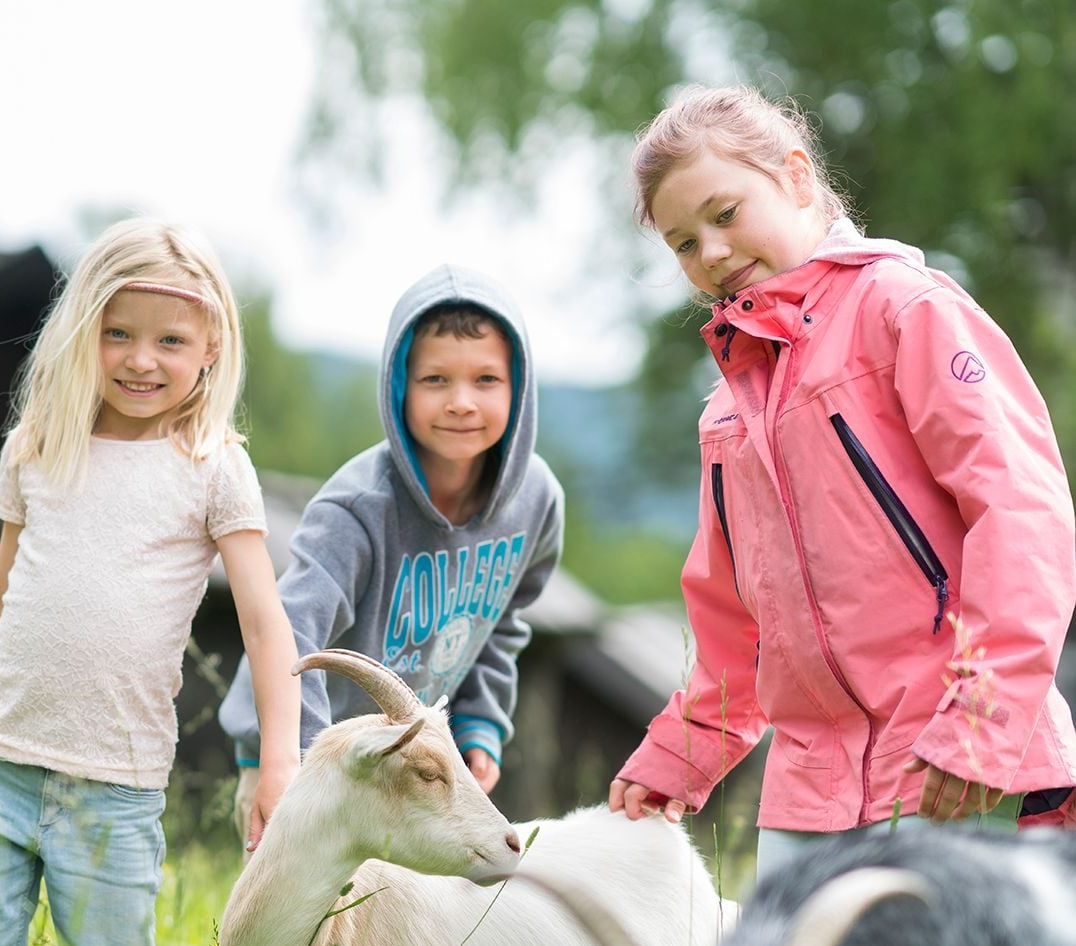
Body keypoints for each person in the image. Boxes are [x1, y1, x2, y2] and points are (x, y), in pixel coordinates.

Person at [607, 84, 1076, 880]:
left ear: (795, 177)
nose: (711, 254)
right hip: (810, 798)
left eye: (725, 214)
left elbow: (1021, 515)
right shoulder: (727, 409)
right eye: (684, 243)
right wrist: (679, 754)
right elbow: (731, 621)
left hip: (953, 765)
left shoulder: (906, 311)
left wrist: (980, 726)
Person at [0, 220, 298, 946]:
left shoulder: (212, 466)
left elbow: (263, 623)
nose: (142, 359)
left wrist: (279, 764)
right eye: (119, 334)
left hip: (115, 783)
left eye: (169, 340)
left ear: (211, 345)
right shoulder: (39, 447)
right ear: (85, 331)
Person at [218, 265, 563, 841]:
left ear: (519, 388)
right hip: (304, 756)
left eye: (485, 380)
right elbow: (293, 632)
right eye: (435, 379)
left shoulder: (536, 501)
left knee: (404, 926)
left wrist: (478, 725)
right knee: (296, 926)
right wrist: (290, 765)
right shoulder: (357, 509)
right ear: (399, 384)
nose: (461, 402)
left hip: (410, 764)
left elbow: (501, 623)